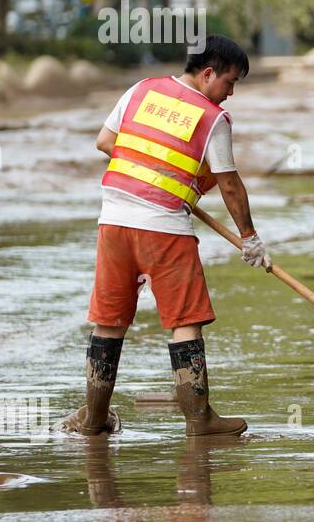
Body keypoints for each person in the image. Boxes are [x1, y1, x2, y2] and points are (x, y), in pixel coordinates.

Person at [62, 35, 270, 437]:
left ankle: (94, 419)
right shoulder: (212, 118)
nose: (229, 94)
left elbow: (105, 141)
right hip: (164, 229)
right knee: (185, 320)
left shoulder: (142, 89)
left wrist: (157, 173)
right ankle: (200, 421)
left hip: (114, 222)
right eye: (230, 82)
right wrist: (250, 237)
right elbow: (229, 185)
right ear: (208, 73)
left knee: (109, 322)